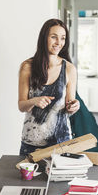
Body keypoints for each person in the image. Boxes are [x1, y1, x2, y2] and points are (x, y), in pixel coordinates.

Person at [18, 19, 79, 156]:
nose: (59, 42)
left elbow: (70, 105)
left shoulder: (69, 69)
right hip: (32, 143)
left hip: (61, 142)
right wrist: (34, 101)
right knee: (27, 178)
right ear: (44, 38)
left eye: (63, 38)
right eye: (53, 37)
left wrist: (74, 106)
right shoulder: (27, 67)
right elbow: (21, 106)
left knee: (61, 178)